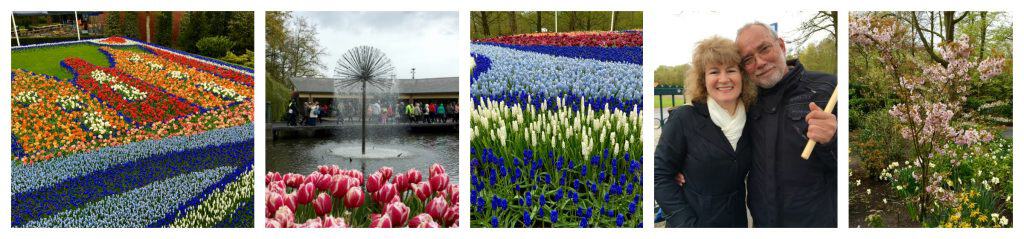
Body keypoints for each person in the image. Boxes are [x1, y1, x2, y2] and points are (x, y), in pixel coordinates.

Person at [735, 22, 837, 228]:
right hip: (763, 223)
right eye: (748, 60)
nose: (760, 62)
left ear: (781, 46)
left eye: (764, 49)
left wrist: (832, 140)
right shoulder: (745, 101)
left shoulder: (827, 89)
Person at [654, 36, 757, 228]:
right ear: (703, 79)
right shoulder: (684, 118)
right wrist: (685, 223)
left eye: (731, 70)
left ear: (742, 75)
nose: (724, 79)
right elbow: (659, 176)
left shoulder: (753, 118)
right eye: (714, 72)